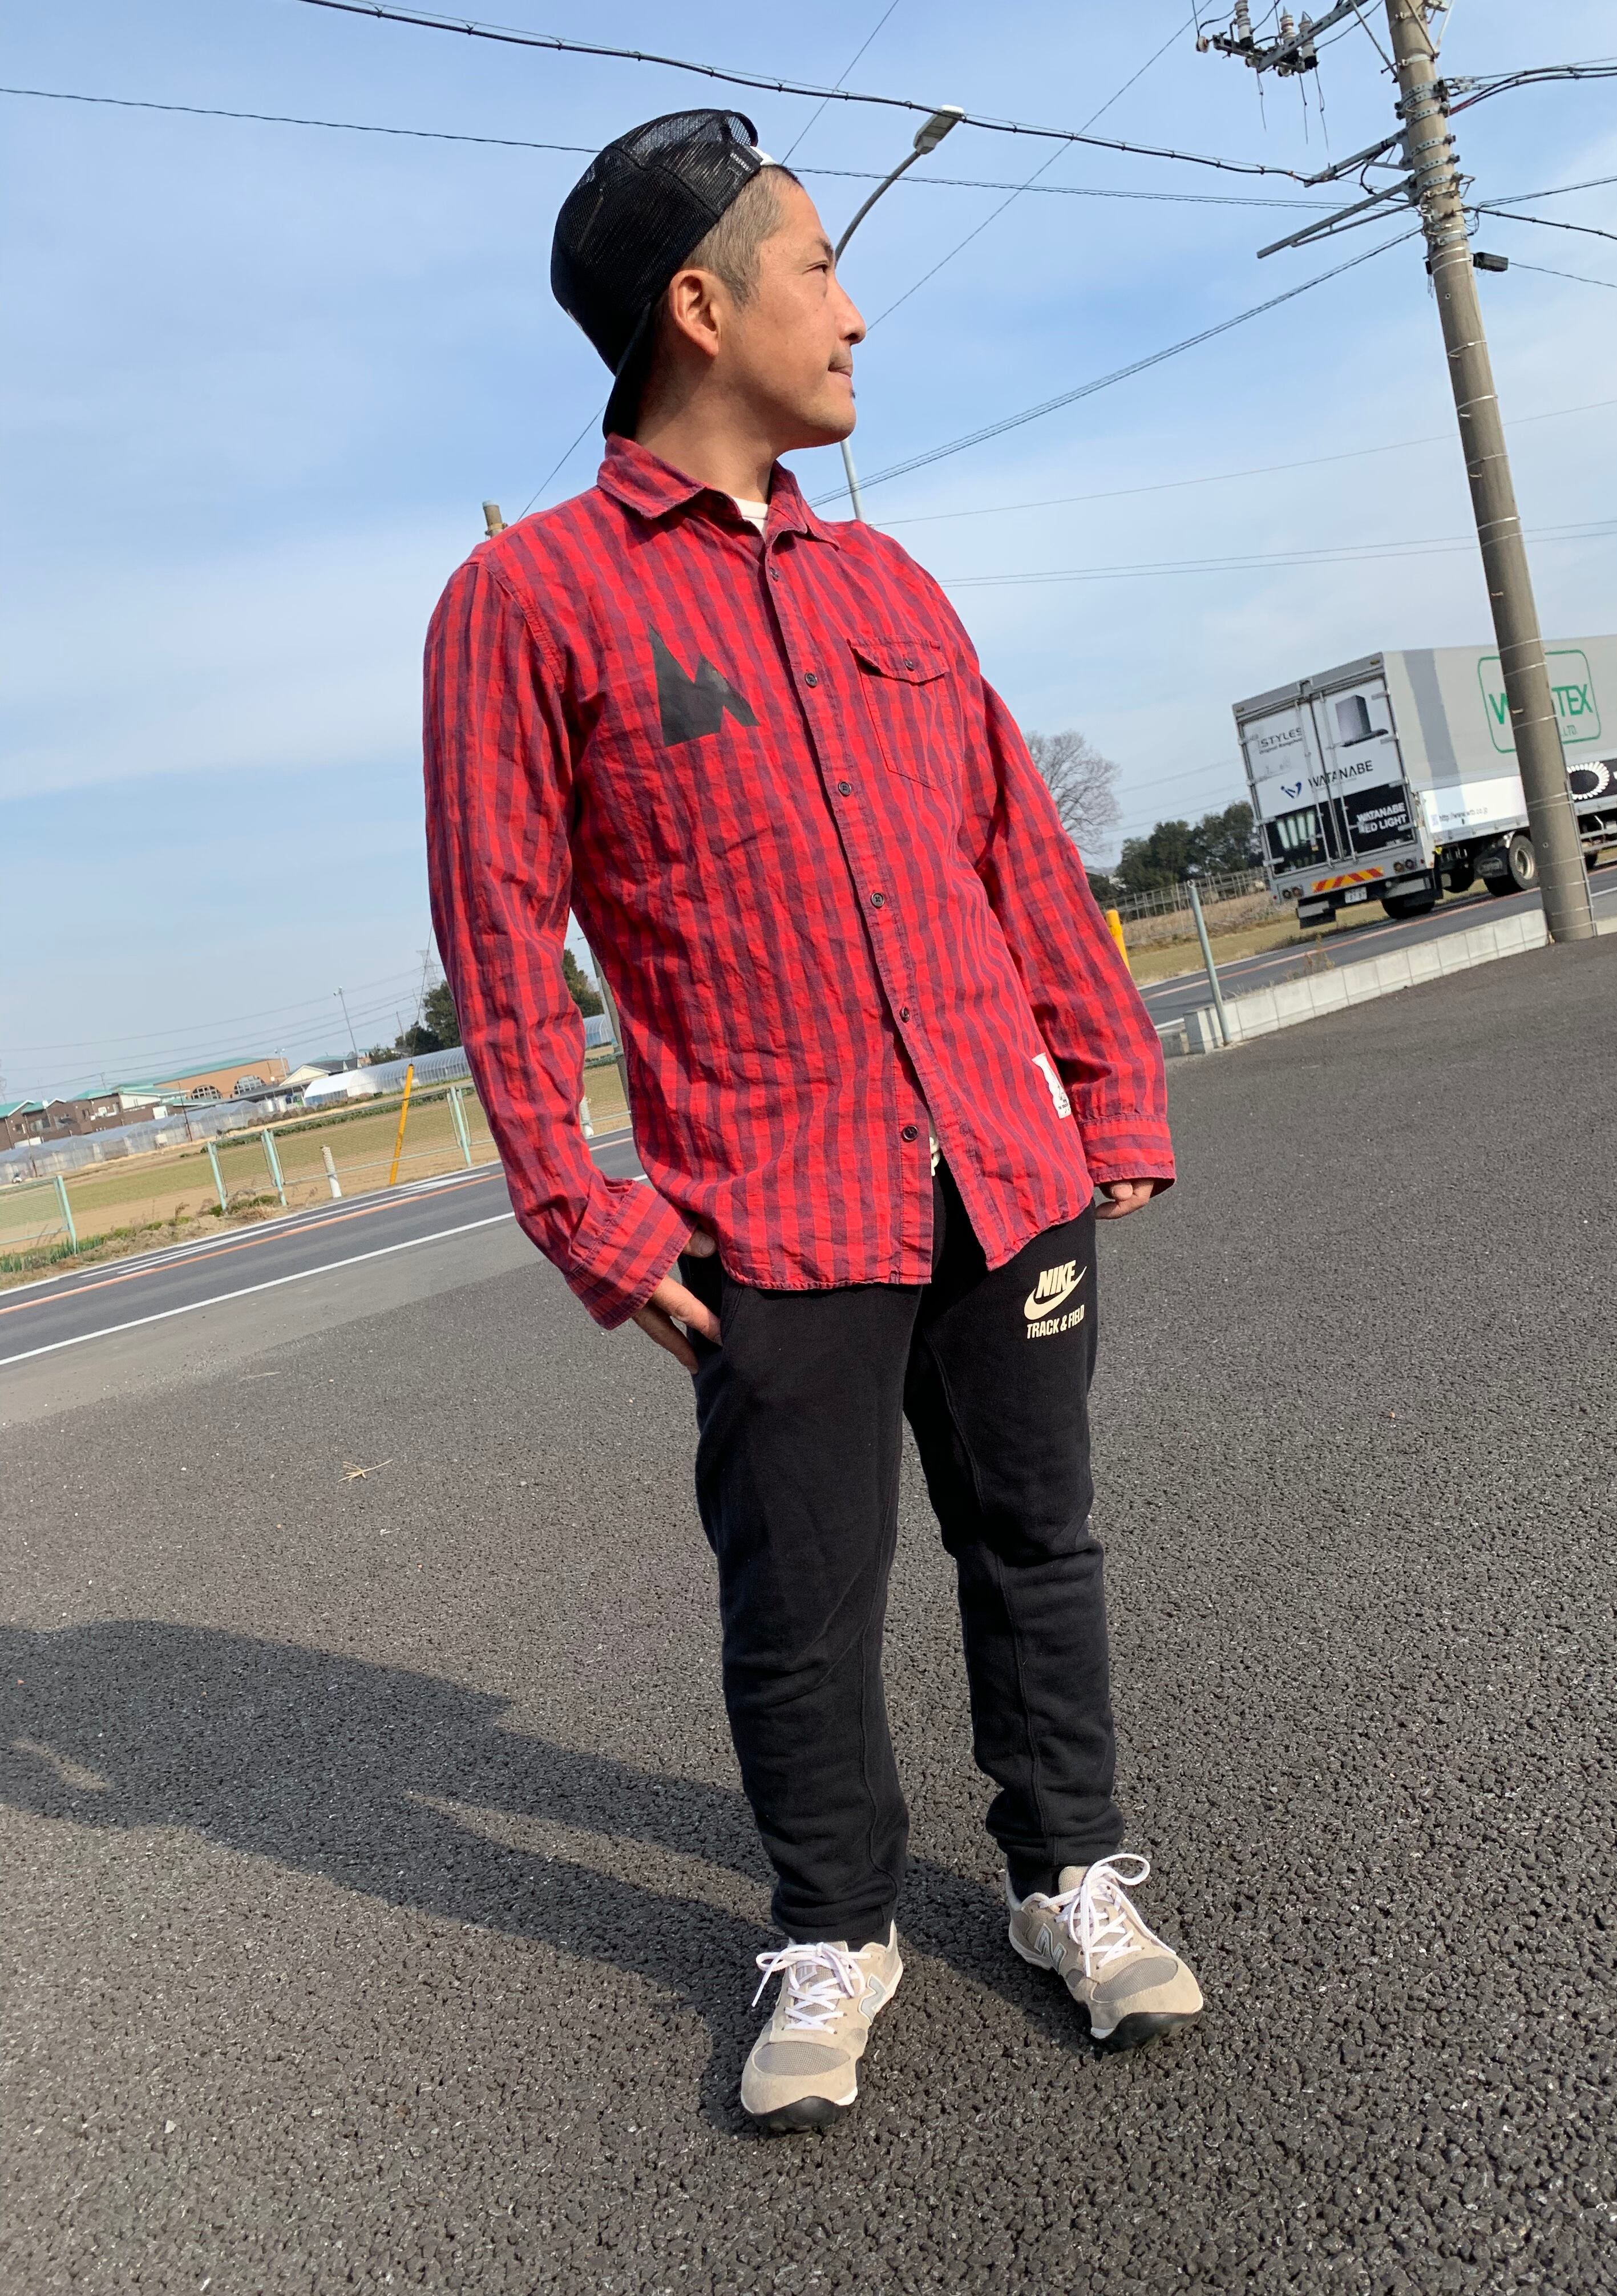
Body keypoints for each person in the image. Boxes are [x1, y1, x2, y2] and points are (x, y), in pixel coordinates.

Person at [423, 109, 1203, 2135]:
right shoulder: (529, 597)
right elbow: (500, 937)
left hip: (1002, 1169)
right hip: (771, 1204)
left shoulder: (889, 575)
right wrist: (589, 1218)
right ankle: (835, 1926)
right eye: (823, 271)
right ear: (701, 308)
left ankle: (1066, 1874)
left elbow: (1015, 848)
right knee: (804, 1593)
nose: (856, 317)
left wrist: (1109, 1078)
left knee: (1037, 1542)